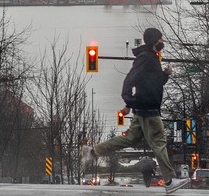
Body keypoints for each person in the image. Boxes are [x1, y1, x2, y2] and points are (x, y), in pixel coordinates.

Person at [82, 28, 192, 193]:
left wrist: (165, 75)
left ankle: (93, 151)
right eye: (161, 39)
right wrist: (128, 100)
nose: (163, 42)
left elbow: (151, 83)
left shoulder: (151, 58)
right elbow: (131, 79)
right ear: (155, 40)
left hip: (143, 107)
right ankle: (169, 181)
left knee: (129, 140)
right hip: (149, 110)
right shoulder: (147, 58)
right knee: (159, 143)